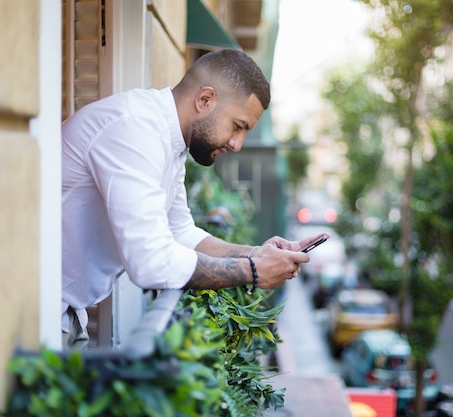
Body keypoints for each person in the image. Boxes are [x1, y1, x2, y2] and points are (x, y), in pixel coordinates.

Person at [61, 49, 326, 349]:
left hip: (70, 314)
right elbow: (151, 263)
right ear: (205, 100)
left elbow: (182, 234)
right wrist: (252, 272)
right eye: (237, 126)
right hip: (38, 307)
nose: (237, 144)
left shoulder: (169, 140)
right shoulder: (136, 130)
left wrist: (256, 254)